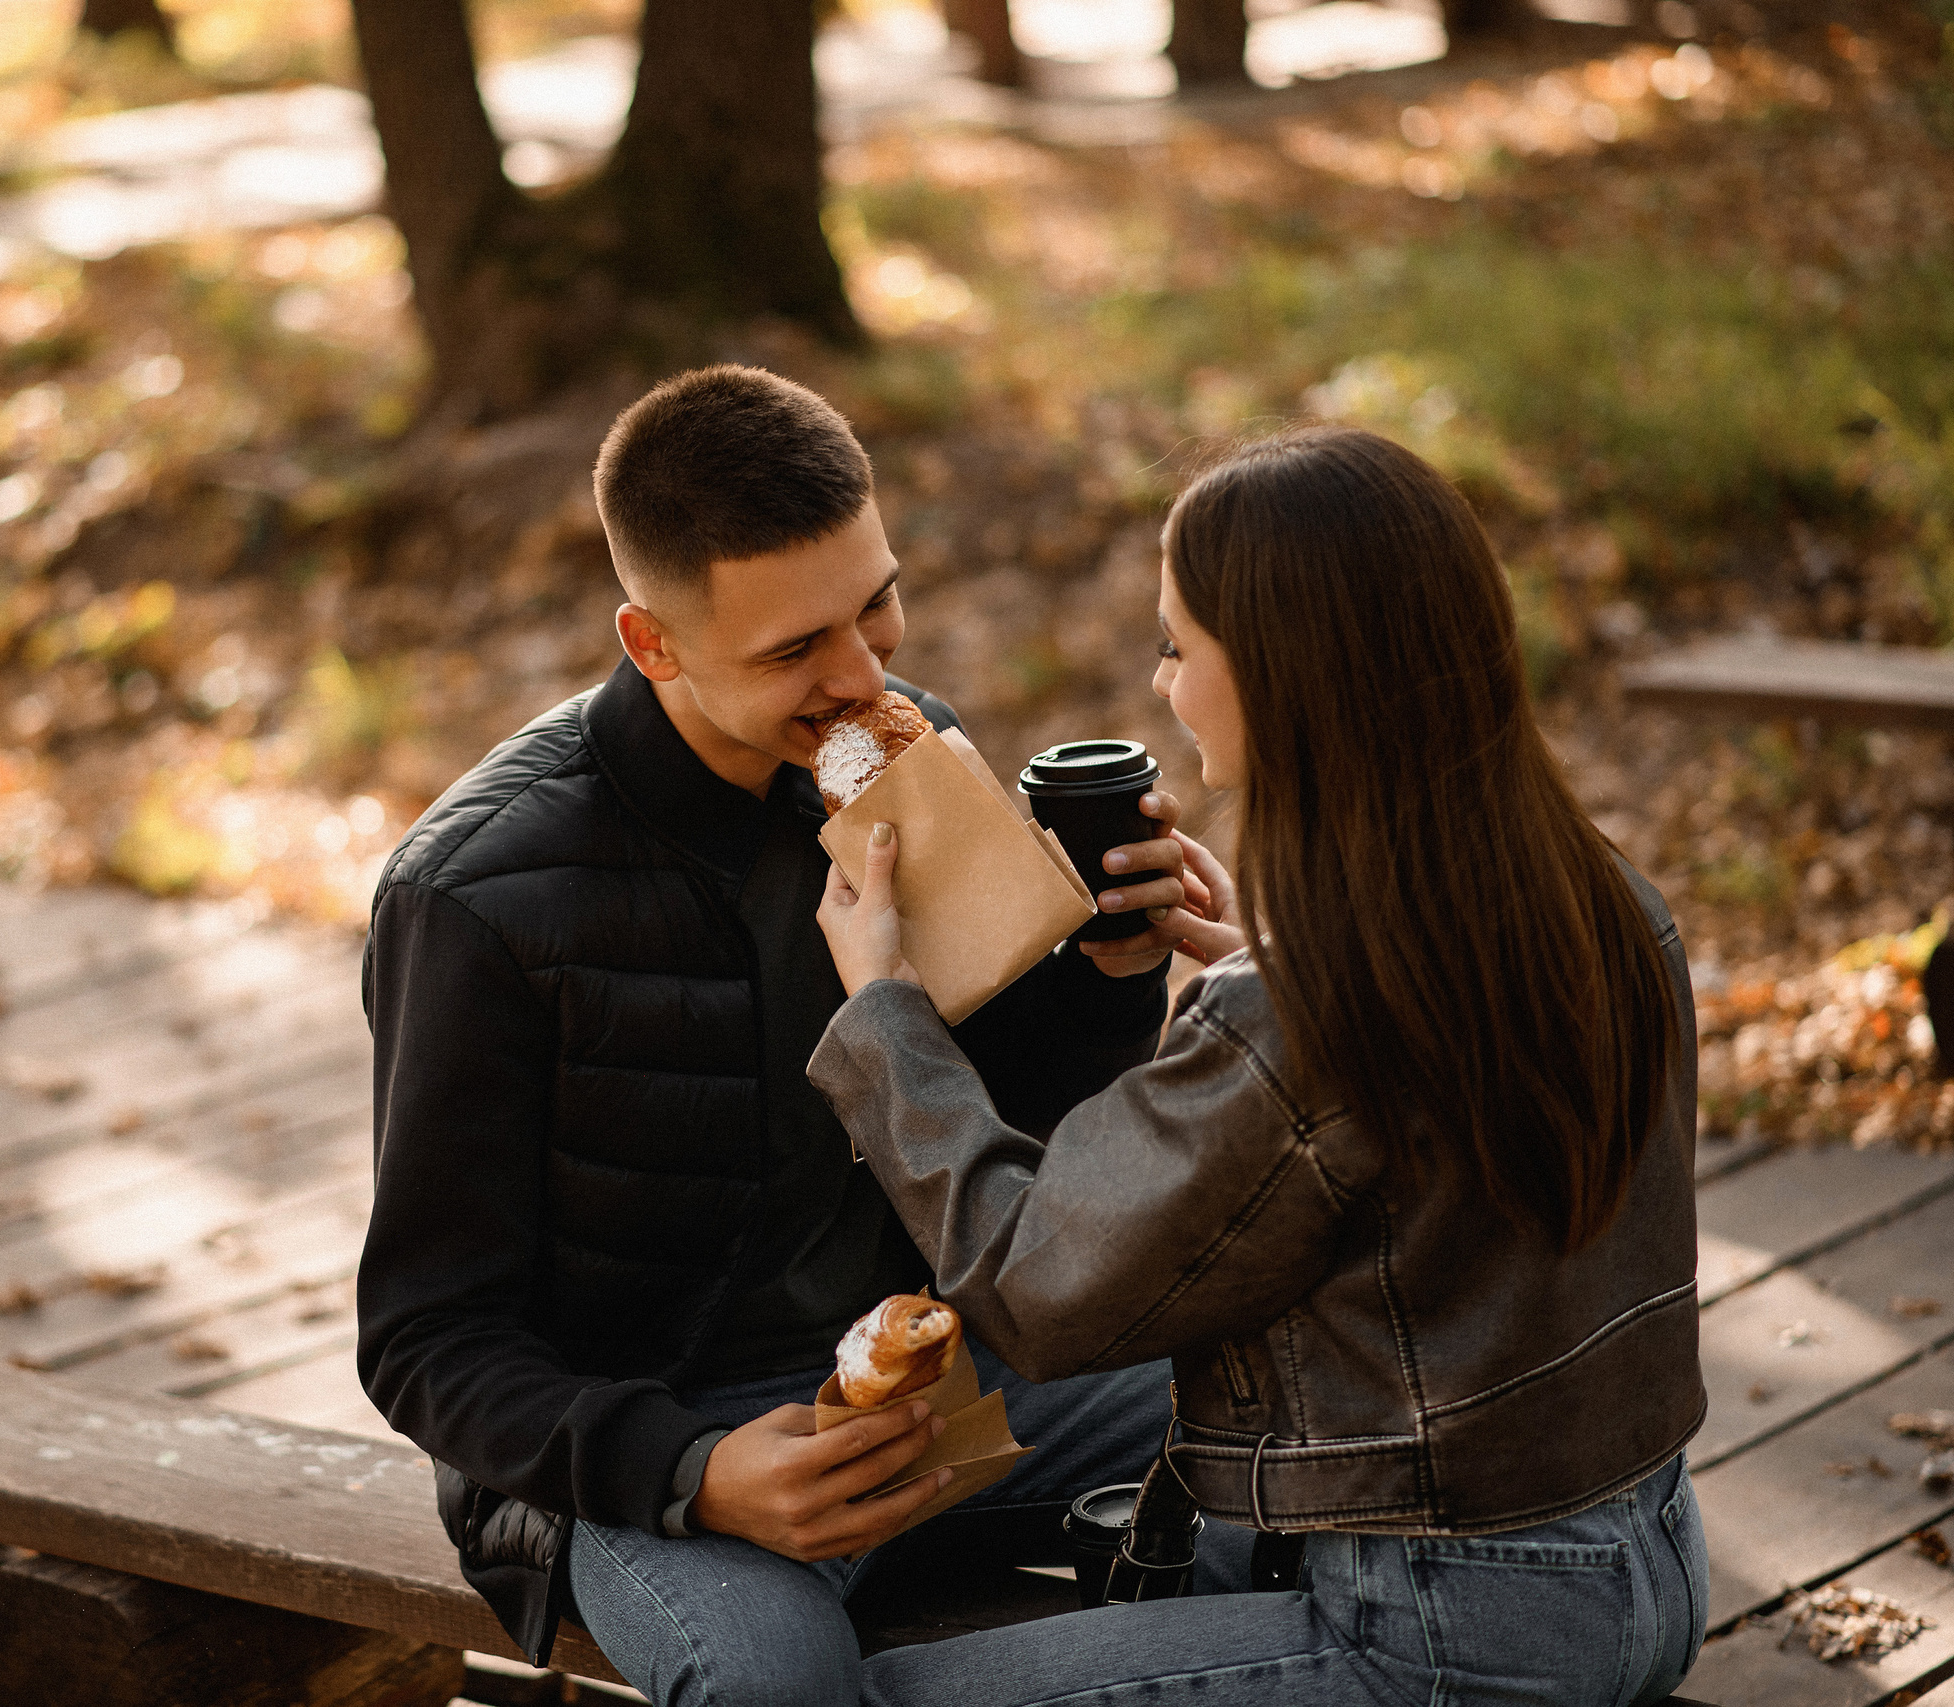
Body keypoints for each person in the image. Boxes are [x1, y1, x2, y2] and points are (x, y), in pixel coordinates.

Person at [356, 366, 1248, 1707]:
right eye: (793, 652)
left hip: (942, 1369)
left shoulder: (912, 750)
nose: (863, 677)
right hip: (650, 1443)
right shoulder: (480, 897)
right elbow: (426, 1339)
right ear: (653, 643)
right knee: (772, 1686)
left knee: (1308, 1444)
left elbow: (1010, 1132)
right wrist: (695, 1471)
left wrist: (1113, 973)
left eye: (875, 604)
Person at [810, 424, 1709, 1707]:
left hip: (1441, 1630)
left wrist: (886, 1013)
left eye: (1179, 646)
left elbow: (1035, 1284)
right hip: (1646, 1565)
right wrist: (1268, 965)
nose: (1162, 682)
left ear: (1288, 674)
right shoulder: (1599, 899)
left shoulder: (1302, 1021)